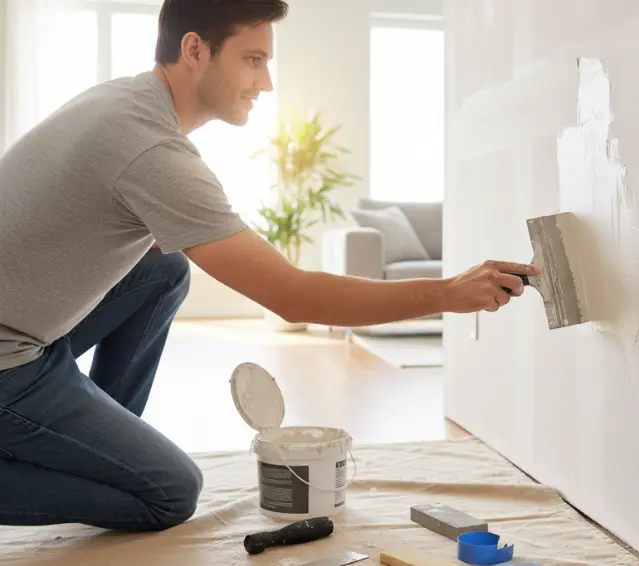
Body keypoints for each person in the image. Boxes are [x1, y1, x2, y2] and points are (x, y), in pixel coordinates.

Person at [0, 0, 539, 532]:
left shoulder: (124, 100)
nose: (266, 83)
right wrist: (446, 292)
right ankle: (73, 450)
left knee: (164, 270)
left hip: (22, 326)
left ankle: (83, 443)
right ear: (195, 49)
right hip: (9, 359)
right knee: (169, 492)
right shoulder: (151, 151)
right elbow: (294, 297)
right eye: (254, 60)